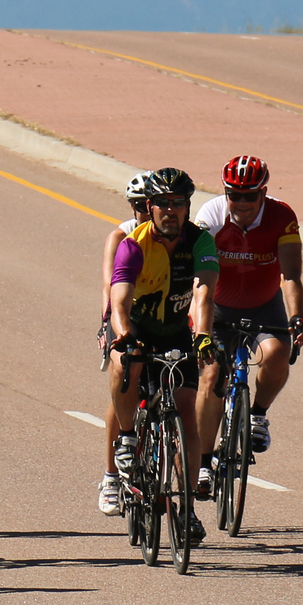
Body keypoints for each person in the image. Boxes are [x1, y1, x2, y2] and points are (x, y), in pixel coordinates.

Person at [104, 167, 218, 545]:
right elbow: (119, 298)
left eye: (179, 204)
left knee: (186, 411)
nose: (171, 211)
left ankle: (185, 508)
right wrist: (122, 337)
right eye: (164, 204)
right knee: (125, 367)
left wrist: (202, 337)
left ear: (188, 207)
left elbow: (203, 292)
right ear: (149, 207)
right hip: (135, 328)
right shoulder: (133, 243)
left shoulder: (200, 241)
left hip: (177, 331)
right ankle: (126, 439)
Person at [194, 156, 303, 471]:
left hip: (263, 304)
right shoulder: (211, 214)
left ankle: (257, 413)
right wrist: (201, 328)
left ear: (264, 192)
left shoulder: (281, 216)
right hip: (218, 307)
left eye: (250, 195)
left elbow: (290, 275)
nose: (241, 202)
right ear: (225, 192)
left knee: (276, 353)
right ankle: (204, 462)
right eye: (234, 194)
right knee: (212, 375)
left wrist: (296, 317)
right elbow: (201, 280)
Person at [96, 171, 153, 515]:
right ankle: (111, 476)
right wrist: (110, 325)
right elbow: (110, 285)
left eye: (151, 204)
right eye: (137, 205)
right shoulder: (122, 235)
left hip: (163, 318)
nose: (144, 211)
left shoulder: (174, 234)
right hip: (126, 316)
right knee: (124, 382)